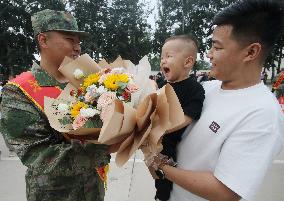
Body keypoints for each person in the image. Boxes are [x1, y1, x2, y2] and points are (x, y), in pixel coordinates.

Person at [147, 1, 284, 201]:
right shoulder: (205, 89)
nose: (209, 54)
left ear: (251, 52)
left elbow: (225, 191)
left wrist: (160, 166)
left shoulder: (262, 114)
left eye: (217, 47)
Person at [0, 9, 110, 201]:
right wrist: (106, 149)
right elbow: (37, 154)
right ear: (43, 40)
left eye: (79, 42)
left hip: (93, 190)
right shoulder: (19, 91)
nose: (77, 48)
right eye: (70, 39)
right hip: (55, 194)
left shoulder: (85, 82)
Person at [154, 35, 205, 201]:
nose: (163, 61)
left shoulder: (194, 88)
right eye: (162, 57)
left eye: (168, 56)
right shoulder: (162, 85)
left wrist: (162, 129)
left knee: (164, 181)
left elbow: (188, 117)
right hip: (154, 138)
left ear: (188, 62)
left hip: (170, 142)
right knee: (155, 172)